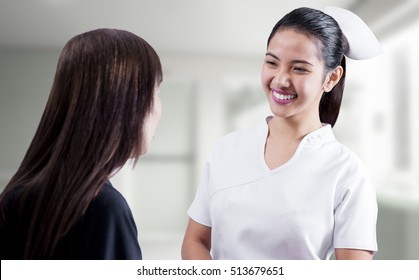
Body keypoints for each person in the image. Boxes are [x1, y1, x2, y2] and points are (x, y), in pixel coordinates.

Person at [182, 7, 382, 260]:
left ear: (331, 78)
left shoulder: (346, 171)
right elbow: (195, 240)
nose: (280, 79)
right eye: (271, 63)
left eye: (299, 69)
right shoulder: (226, 149)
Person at [0, 28, 163, 259]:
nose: (159, 109)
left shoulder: (14, 199)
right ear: (126, 101)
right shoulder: (104, 208)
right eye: (156, 91)